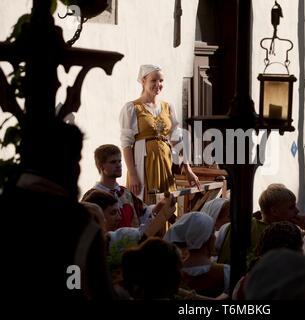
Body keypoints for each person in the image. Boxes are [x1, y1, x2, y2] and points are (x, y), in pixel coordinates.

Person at [0, 121, 114, 300]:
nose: (78, 169)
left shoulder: (8, 201)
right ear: (66, 165)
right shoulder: (80, 225)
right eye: (76, 160)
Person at [120, 64, 200, 204]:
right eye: (153, 80)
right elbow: (126, 144)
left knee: (166, 202)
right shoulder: (132, 108)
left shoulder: (168, 107)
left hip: (165, 161)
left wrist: (187, 168)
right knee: (145, 202)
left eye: (161, 81)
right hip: (143, 162)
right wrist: (132, 174)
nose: (158, 84)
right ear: (143, 81)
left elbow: (177, 139)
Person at [83, 144, 150, 228]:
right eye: (113, 162)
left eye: (119, 161)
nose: (118, 165)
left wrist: (162, 205)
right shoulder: (92, 196)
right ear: (101, 166)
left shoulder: (125, 192)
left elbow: (145, 214)